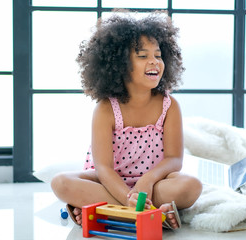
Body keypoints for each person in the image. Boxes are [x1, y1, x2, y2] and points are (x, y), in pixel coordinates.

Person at [51, 10, 202, 230]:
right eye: (143, 56)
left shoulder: (170, 106)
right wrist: (127, 196)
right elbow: (103, 168)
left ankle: (108, 212)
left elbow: (173, 160)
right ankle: (146, 214)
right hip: (109, 183)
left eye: (158, 55)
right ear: (121, 64)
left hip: (154, 185)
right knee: (61, 182)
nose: (154, 62)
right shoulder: (105, 109)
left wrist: (147, 181)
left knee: (192, 186)